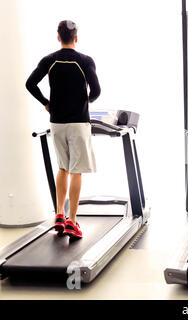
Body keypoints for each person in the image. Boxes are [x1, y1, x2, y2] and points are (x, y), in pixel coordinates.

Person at [26, 20, 101, 239]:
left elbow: (30, 83)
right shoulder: (85, 61)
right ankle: (72, 221)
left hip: (56, 122)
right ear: (76, 37)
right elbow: (96, 90)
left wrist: (46, 103)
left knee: (63, 168)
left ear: (58, 37)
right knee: (76, 170)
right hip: (78, 122)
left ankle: (59, 214)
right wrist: (86, 101)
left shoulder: (49, 60)